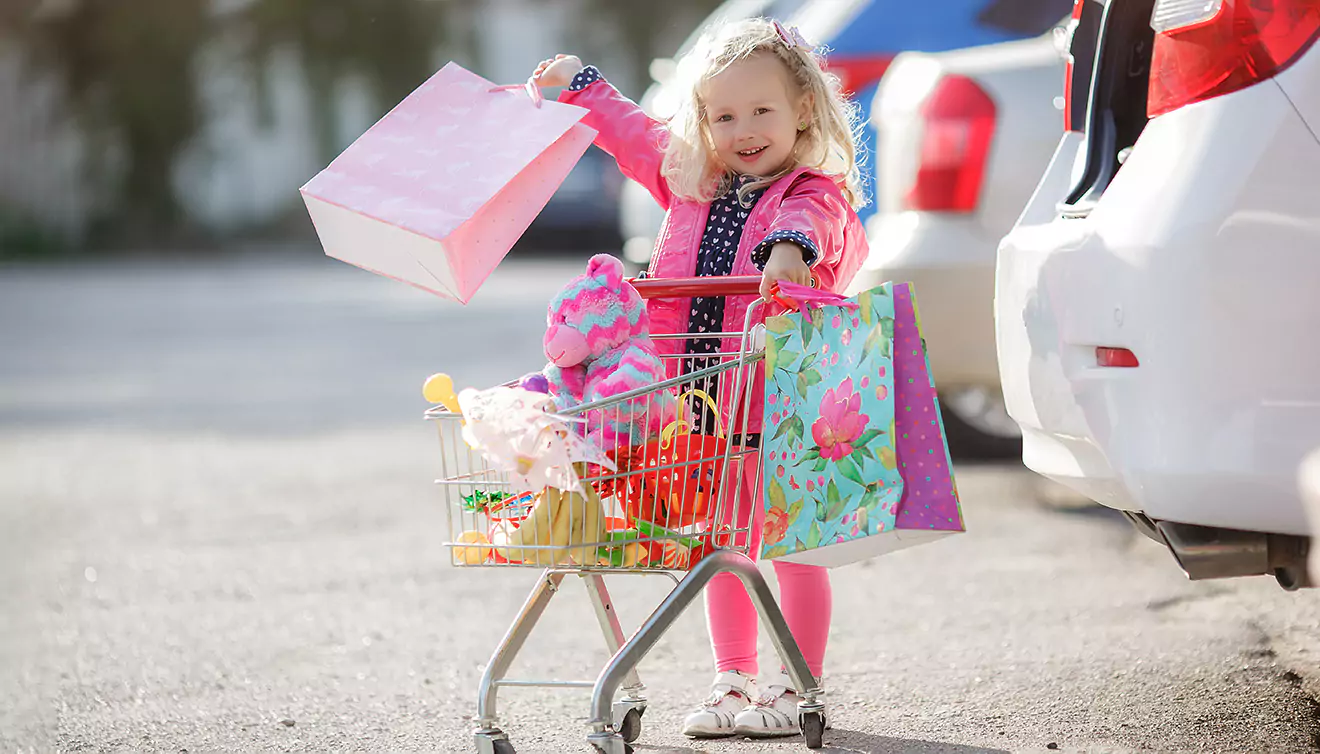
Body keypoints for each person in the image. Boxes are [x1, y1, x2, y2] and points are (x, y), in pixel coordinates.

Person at [532, 16, 870, 740]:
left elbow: (822, 224)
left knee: (789, 544)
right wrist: (580, 88)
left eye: (761, 111)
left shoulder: (811, 193)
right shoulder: (693, 181)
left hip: (777, 403)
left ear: (802, 109)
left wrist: (789, 250)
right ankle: (733, 677)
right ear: (703, 121)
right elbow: (633, 136)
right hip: (700, 402)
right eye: (723, 116)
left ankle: (795, 684)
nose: (743, 130)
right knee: (720, 544)